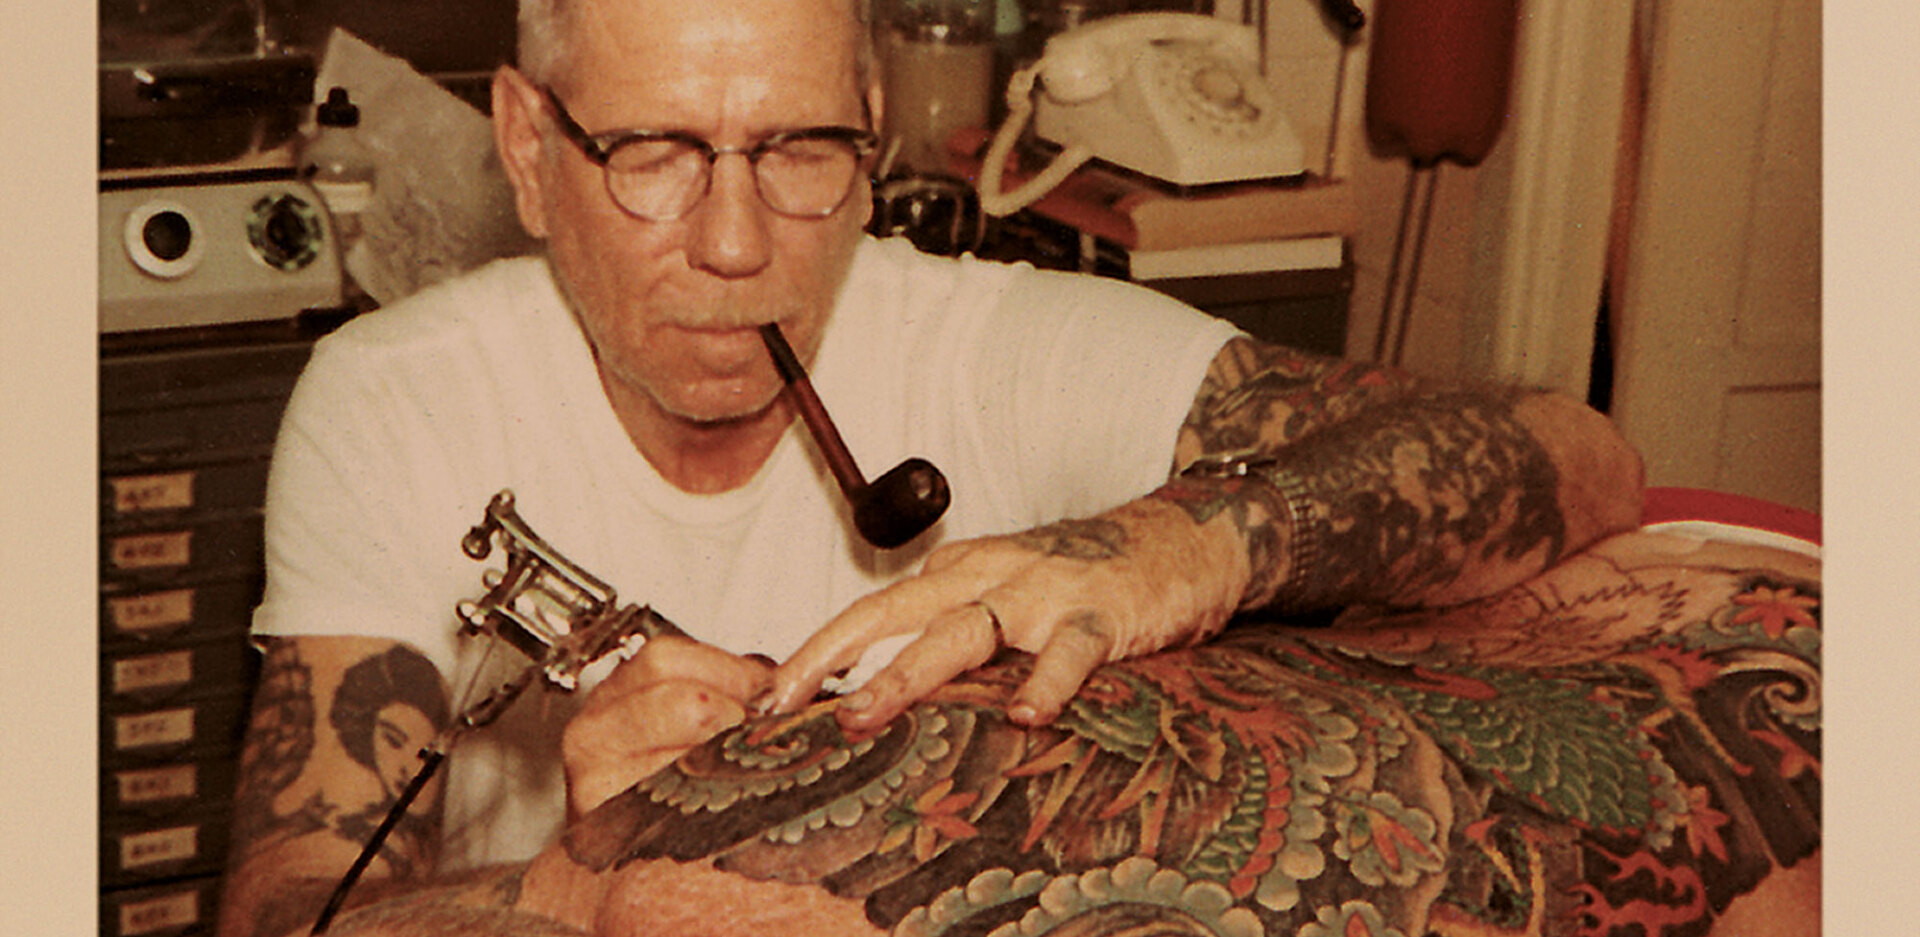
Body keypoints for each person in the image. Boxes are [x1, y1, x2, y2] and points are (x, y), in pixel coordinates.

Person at [215, 0, 1643, 935]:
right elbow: (282, 908)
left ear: (874, 143)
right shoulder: (394, 400)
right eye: (651, 154)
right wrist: (575, 896)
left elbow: (1572, 449)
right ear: (530, 150)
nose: (733, 243)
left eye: (800, 152)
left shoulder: (987, 344)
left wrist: (1185, 547)